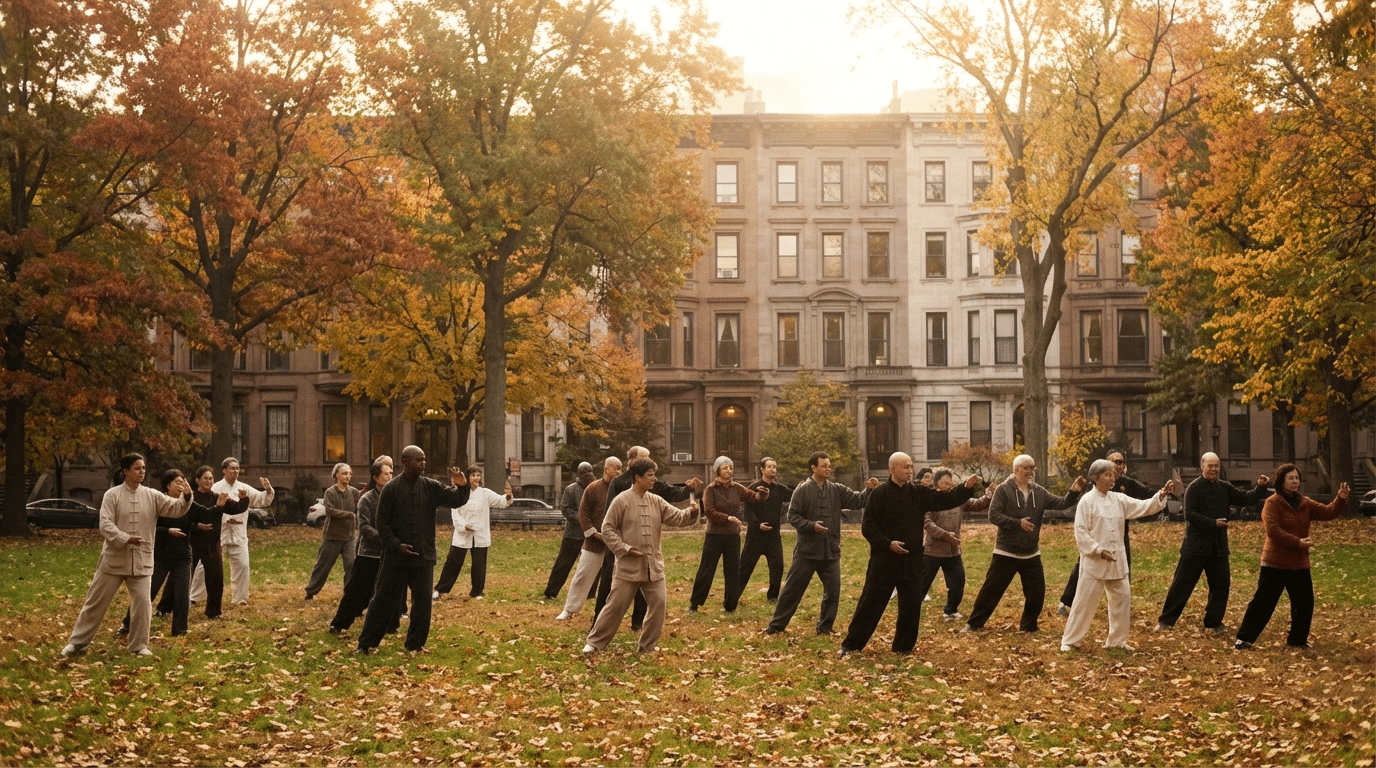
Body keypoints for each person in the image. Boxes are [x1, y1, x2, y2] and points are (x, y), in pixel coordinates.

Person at [840, 453, 980, 656]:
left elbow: (943, 499)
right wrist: (888, 544)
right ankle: (851, 646)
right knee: (870, 605)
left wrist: (965, 488)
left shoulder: (917, 492)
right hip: (885, 560)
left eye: (911, 466)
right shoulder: (879, 494)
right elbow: (868, 527)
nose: (910, 470)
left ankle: (903, 648)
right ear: (892, 469)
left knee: (911, 607)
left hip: (912, 560)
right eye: (905, 467)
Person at [62, 454, 192, 657]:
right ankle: (77, 642)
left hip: (141, 561)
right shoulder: (111, 495)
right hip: (113, 560)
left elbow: (176, 509)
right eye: (137, 468)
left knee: (142, 605)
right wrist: (125, 538)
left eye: (144, 468)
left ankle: (139, 646)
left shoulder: (152, 495)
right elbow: (105, 525)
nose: (142, 471)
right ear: (125, 471)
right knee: (95, 602)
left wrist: (186, 497)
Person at [355, 446, 467, 654]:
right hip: (395, 558)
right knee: (383, 600)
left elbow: (455, 499)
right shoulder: (391, 489)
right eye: (418, 460)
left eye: (424, 460)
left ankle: (415, 645)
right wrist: (396, 545)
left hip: (423, 557)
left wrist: (461, 486)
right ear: (405, 462)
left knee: (423, 603)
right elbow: (382, 523)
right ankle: (366, 644)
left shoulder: (430, 486)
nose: (423, 463)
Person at [582, 458, 700, 653]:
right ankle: (594, 643)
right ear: (637, 477)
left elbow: (677, 517)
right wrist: (624, 549)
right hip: (628, 567)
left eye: (654, 475)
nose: (654, 479)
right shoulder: (622, 500)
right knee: (615, 606)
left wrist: (692, 511)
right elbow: (607, 528)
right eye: (650, 475)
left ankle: (647, 646)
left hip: (653, 567)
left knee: (659, 605)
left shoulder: (656, 501)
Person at [962, 455, 1085, 634]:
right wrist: (1017, 523)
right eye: (1026, 468)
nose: (1030, 471)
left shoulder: (1039, 491)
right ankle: (973, 624)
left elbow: (1061, 503)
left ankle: (1028, 627)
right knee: (991, 591)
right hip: (1006, 552)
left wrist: (1073, 492)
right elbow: (993, 515)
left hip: (1031, 553)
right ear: (1016, 470)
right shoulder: (1004, 490)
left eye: (1032, 468)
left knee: (1037, 593)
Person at [1060, 459, 1172, 652]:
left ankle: (1117, 642)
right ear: (1095, 478)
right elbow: (1080, 532)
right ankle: (1070, 641)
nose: (1112, 478)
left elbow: (1142, 506)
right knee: (1083, 603)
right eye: (1107, 474)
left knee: (1122, 599)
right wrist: (1097, 550)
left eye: (1113, 474)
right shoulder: (1086, 501)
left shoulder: (1118, 499)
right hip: (1094, 562)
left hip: (1117, 561)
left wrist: (1160, 495)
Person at [1234, 464, 1348, 650]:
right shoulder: (1272, 502)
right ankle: (1243, 639)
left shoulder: (1304, 503)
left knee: (1304, 603)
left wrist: (1340, 499)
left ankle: (1297, 641)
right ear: (1282, 481)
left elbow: (1328, 512)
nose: (1295, 481)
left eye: (1297, 478)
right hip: (1275, 563)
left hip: (1299, 563)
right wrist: (1298, 542)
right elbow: (1272, 530)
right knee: (1263, 603)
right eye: (1291, 478)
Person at [1156, 452, 1271, 635]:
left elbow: (1246, 498)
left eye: (1217, 466)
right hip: (1195, 546)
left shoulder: (1224, 487)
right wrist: (1213, 523)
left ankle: (1213, 623)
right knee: (1181, 585)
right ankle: (1166, 621)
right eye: (1210, 466)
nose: (1214, 469)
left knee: (1221, 585)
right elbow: (1190, 514)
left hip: (1218, 547)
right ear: (1202, 467)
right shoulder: (1194, 488)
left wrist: (1260, 487)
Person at [763, 452, 877, 636]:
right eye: (824, 465)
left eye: (829, 465)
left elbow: (857, 501)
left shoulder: (837, 490)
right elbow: (792, 516)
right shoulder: (802, 490)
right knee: (792, 591)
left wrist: (869, 490)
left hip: (830, 551)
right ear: (814, 468)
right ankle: (775, 627)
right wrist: (811, 526)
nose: (828, 468)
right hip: (806, 552)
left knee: (833, 591)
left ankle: (824, 627)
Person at [123, 469, 224, 638]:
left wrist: (219, 506)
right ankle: (127, 624)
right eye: (177, 482)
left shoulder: (188, 504)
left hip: (183, 558)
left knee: (182, 595)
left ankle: (180, 630)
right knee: (147, 592)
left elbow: (206, 515)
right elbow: (147, 527)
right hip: (160, 557)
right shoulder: (158, 503)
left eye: (183, 481)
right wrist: (167, 530)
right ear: (168, 485)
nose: (181, 485)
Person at [1057, 449, 1153, 615]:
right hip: (1096, 535)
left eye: (1120, 462)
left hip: (1119, 534)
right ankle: (1066, 602)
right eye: (1113, 462)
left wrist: (1166, 493)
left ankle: (1122, 604)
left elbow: (1147, 496)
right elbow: (1085, 509)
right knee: (1084, 567)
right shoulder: (1093, 487)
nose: (1117, 465)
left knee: (1123, 567)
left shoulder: (1128, 483)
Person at [160, 465, 243, 620]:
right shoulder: (189, 498)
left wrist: (244, 499)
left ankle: (214, 612)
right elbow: (184, 521)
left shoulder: (216, 497)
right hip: (192, 544)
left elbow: (235, 508)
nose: (208, 481)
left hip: (212, 545)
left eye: (211, 478)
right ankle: (164, 608)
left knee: (216, 578)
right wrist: (197, 526)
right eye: (205, 478)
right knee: (178, 579)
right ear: (197, 480)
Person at [190, 457, 274, 607]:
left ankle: (240, 598)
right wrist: (225, 520)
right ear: (224, 470)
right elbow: (209, 510)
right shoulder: (215, 488)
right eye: (232, 468)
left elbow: (262, 500)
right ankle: (195, 596)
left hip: (238, 533)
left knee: (243, 566)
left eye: (237, 468)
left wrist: (267, 489)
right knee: (205, 566)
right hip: (218, 533)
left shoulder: (244, 488)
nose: (236, 471)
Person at [689, 456, 768, 613]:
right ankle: (694, 604)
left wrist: (763, 494)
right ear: (717, 470)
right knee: (707, 569)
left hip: (732, 536)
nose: (729, 470)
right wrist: (728, 518)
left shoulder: (737, 488)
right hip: (715, 535)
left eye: (731, 468)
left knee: (733, 570)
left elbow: (753, 497)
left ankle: (730, 606)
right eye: (725, 468)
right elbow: (710, 512)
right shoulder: (710, 489)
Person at [916, 467, 994, 621]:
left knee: (958, 582)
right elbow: (927, 523)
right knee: (922, 584)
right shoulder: (931, 499)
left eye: (950, 482)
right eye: (945, 482)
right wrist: (945, 535)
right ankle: (911, 609)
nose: (949, 485)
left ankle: (950, 610)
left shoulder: (958, 500)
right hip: (932, 551)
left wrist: (989, 494)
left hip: (953, 551)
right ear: (937, 484)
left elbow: (978, 504)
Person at [330, 458, 395, 634]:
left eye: (391, 473)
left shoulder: (393, 497)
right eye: (386, 473)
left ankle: (389, 625)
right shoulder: (366, 499)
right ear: (376, 477)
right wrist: (387, 538)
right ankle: (339, 623)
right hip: (369, 554)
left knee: (387, 592)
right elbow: (365, 527)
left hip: (389, 554)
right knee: (356, 592)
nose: (390, 476)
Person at [555, 457, 622, 621]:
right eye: (616, 468)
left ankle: (609, 614)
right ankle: (569, 609)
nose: (619, 472)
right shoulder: (593, 488)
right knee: (582, 576)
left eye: (621, 469)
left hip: (616, 544)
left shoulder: (622, 491)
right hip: (594, 542)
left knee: (616, 581)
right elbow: (583, 513)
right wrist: (594, 534)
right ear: (606, 469)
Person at [434, 466, 512, 600]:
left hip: (480, 534)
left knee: (479, 564)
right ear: (468, 478)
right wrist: (464, 525)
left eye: (478, 475)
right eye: (474, 475)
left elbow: (501, 501)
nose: (477, 478)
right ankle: (440, 589)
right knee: (453, 562)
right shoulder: (459, 492)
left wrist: (508, 495)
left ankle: (477, 592)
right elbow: (455, 512)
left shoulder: (485, 493)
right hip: (463, 534)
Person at [738, 457, 793, 602]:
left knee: (778, 567)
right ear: (762, 469)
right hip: (755, 536)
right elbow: (746, 510)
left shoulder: (780, 489)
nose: (772, 469)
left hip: (773, 537)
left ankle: (773, 597)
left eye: (774, 467)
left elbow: (796, 497)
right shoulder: (753, 488)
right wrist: (757, 524)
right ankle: (733, 596)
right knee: (744, 569)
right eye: (769, 467)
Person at [304, 462, 359, 600]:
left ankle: (350, 594)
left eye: (350, 473)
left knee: (352, 565)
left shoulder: (353, 492)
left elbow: (361, 503)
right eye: (344, 473)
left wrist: (364, 494)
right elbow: (330, 511)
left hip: (349, 537)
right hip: (332, 537)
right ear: (336, 475)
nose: (348, 476)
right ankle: (310, 591)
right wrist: (349, 515)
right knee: (322, 566)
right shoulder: (330, 492)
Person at [543, 462, 595, 600]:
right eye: (584, 472)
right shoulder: (570, 489)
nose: (588, 474)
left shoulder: (597, 488)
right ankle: (551, 592)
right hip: (573, 534)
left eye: (590, 471)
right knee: (563, 565)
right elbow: (565, 509)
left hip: (592, 535)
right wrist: (582, 520)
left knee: (593, 566)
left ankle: (590, 593)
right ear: (578, 474)